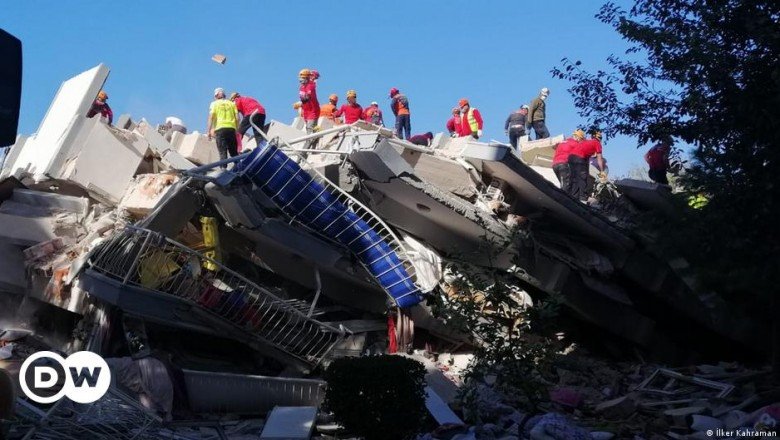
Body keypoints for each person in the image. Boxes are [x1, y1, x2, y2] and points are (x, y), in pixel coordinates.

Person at [568, 128, 605, 202]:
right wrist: (602, 171)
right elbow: (599, 159)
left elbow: (586, 159)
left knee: (574, 179)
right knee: (582, 178)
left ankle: (573, 197)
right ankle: (583, 199)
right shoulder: (597, 143)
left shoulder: (586, 141)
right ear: (599, 138)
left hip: (571, 157)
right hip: (579, 158)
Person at [206, 87, 239, 166]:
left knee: (222, 152)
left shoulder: (214, 104)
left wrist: (208, 131)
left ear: (216, 96)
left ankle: (224, 170)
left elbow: (211, 117)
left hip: (220, 129)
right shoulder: (232, 104)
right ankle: (240, 167)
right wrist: (236, 129)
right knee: (234, 152)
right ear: (224, 95)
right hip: (231, 129)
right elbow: (237, 118)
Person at [551, 130, 583, 194]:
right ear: (578, 137)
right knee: (566, 186)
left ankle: (560, 197)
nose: (580, 141)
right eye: (581, 139)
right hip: (564, 165)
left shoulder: (563, 142)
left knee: (563, 184)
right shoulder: (576, 144)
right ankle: (562, 201)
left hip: (555, 165)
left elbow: (554, 147)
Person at [298, 68, 320, 134]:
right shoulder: (301, 87)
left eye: (302, 78)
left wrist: (300, 103)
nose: (300, 79)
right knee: (308, 128)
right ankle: (316, 137)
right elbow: (302, 98)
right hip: (306, 111)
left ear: (306, 78)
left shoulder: (311, 86)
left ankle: (311, 142)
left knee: (310, 128)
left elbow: (307, 98)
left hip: (313, 111)